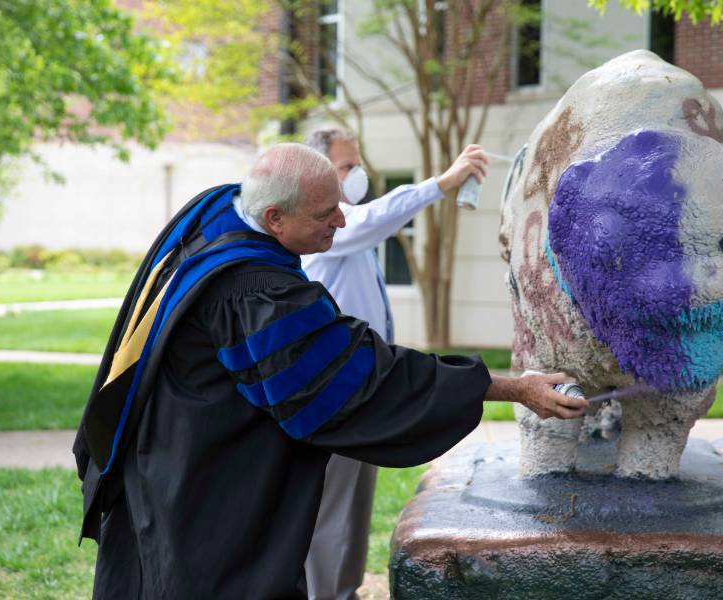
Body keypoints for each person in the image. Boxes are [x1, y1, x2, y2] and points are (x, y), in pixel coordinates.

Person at [73, 143, 586, 599]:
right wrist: (508, 387)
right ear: (274, 218)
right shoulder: (255, 292)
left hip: (163, 449)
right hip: (203, 484)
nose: (341, 222)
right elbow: (358, 381)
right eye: (326, 214)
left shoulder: (217, 210)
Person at [300, 128, 488, 600]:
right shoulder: (333, 231)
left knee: (356, 502)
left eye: (356, 163)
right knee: (332, 504)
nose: (357, 174)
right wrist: (442, 183)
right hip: (337, 389)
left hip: (368, 384)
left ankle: (344, 590)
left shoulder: (352, 229)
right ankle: (322, 593)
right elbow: (376, 217)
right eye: (346, 166)